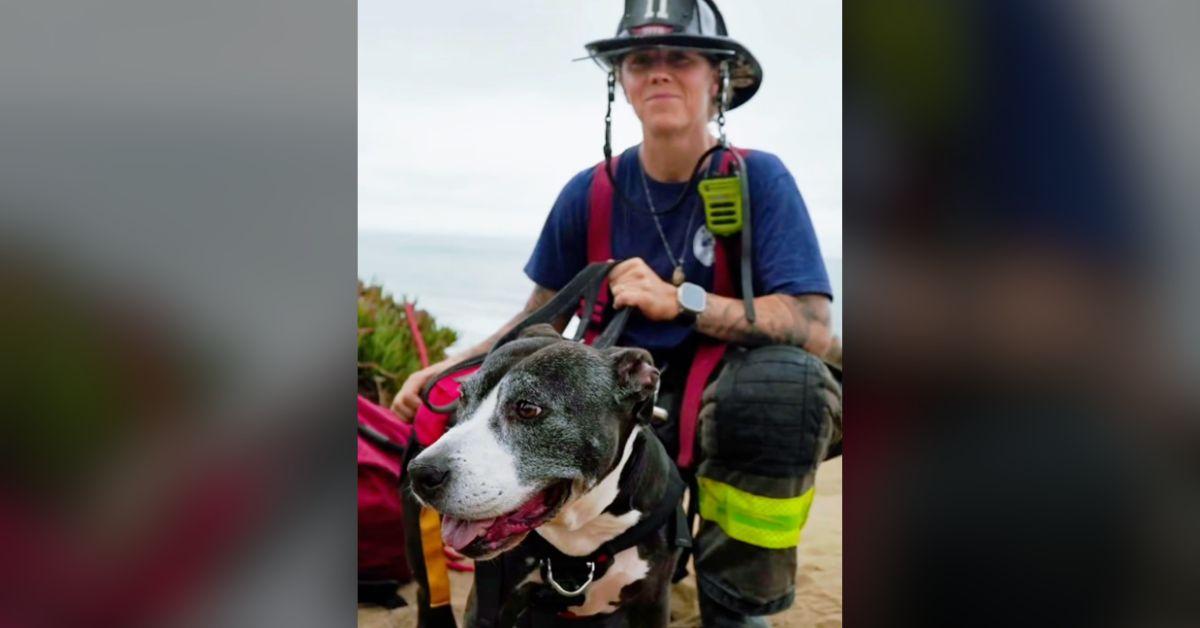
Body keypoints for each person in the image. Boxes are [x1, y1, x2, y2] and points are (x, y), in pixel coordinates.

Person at [394, 1, 841, 626]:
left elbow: (815, 328)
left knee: (781, 389)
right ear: (621, 82)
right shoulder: (589, 191)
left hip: (725, 399)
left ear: (718, 79)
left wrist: (682, 300)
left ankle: (739, 606)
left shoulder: (760, 180)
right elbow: (536, 323)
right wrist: (449, 366)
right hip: (606, 396)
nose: (658, 72)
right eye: (640, 60)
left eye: (679, 57)